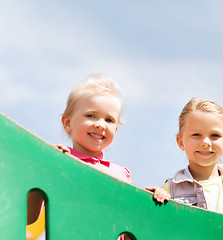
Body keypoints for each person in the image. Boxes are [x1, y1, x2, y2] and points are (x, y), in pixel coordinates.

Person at [26, 74, 168, 239]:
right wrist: (43, 167)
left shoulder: (121, 175)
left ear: (115, 130)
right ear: (68, 123)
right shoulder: (61, 159)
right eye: (90, 115)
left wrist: (151, 201)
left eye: (109, 120)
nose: (100, 124)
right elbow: (29, 217)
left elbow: (129, 231)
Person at [155, 97, 223, 217]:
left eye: (215, 135)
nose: (206, 142)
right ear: (180, 142)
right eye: (196, 134)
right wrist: (155, 199)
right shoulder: (171, 190)